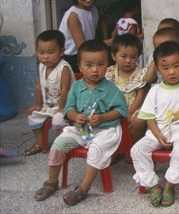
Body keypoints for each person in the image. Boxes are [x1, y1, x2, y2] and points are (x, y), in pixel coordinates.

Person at [34, 40, 127, 205]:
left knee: (96, 150)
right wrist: (75, 116)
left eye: (100, 64)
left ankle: (83, 188)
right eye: (89, 65)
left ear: (108, 66)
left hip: (105, 130)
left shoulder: (111, 89)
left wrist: (103, 117)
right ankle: (51, 182)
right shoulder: (76, 87)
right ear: (80, 66)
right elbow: (68, 109)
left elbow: (121, 111)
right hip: (80, 129)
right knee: (58, 145)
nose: (95, 69)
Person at [131, 41, 179, 207]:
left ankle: (170, 186)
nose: (171, 72)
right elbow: (149, 116)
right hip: (158, 133)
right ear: (158, 69)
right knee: (136, 150)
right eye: (165, 68)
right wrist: (158, 135)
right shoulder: (155, 91)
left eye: (177, 66)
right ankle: (153, 185)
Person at [23, 30, 74, 156]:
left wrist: (62, 107)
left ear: (61, 52)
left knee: (58, 119)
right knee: (33, 116)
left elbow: (65, 90)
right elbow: (38, 86)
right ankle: (41, 143)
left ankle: (62, 146)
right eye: (41, 53)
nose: (45, 56)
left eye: (50, 52)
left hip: (65, 105)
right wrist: (38, 105)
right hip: (48, 106)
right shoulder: (41, 66)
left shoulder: (64, 68)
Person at [105, 34, 148, 143]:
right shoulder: (110, 73)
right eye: (124, 56)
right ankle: (112, 147)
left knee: (138, 121)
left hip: (133, 109)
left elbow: (140, 95)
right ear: (114, 56)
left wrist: (129, 112)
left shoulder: (140, 74)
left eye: (133, 57)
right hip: (114, 108)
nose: (128, 61)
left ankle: (132, 146)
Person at [58, 0, 105, 72]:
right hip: (73, 59)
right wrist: (107, 42)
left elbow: (102, 20)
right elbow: (82, 47)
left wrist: (106, 37)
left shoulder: (93, 9)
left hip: (88, 53)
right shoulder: (74, 16)